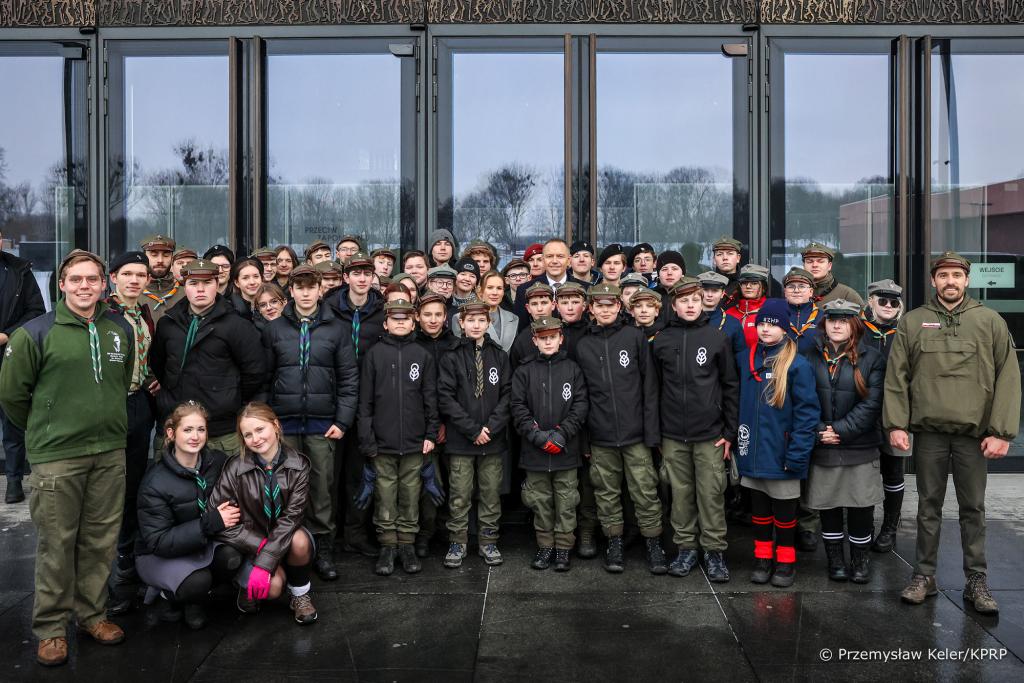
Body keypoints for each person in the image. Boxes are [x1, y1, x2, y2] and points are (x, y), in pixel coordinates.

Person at [0, 249, 135, 667]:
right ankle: (51, 629)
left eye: (92, 279)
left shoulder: (119, 329)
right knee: (57, 544)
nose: (84, 286)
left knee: (100, 540)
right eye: (75, 279)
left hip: (109, 451)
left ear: (103, 284)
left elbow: (120, 381)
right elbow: (12, 397)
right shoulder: (35, 334)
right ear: (61, 285)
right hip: (58, 456)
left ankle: (92, 615)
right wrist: (47, 430)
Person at [885, 252, 1020, 614]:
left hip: (973, 436)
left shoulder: (989, 321)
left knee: (973, 508)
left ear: (967, 280)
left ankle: (976, 579)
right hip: (929, 433)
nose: (950, 281)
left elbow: (1009, 378)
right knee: (927, 507)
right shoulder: (913, 322)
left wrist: (1002, 432)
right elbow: (896, 377)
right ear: (933, 281)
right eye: (943, 275)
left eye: (956, 275)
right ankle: (924, 575)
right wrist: (896, 424)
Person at [263, 264, 359, 582]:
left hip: (322, 423)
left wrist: (342, 420)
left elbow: (348, 378)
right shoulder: (275, 329)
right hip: (284, 424)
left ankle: (323, 548)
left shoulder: (336, 328)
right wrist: (267, 421)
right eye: (299, 287)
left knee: (321, 489)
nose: (305, 293)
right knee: (284, 488)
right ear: (291, 291)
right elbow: (264, 377)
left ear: (320, 290)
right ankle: (288, 547)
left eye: (311, 287)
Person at [652, 276, 739, 581]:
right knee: (680, 494)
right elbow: (654, 389)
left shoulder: (717, 338)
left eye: (695, 300)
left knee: (711, 493)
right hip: (673, 434)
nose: (690, 306)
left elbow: (730, 386)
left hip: (710, 434)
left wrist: (729, 432)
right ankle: (686, 548)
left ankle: (714, 551)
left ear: (703, 303)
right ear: (673, 305)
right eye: (683, 301)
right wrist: (657, 432)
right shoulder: (662, 340)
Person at [576, 283, 666, 575]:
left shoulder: (634, 337)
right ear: (591, 309)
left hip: (635, 433)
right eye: (599, 306)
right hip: (600, 434)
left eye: (610, 305)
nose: (605, 310)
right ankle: (614, 542)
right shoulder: (583, 345)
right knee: (606, 493)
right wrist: (585, 440)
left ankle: (653, 542)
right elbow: (581, 396)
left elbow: (650, 387)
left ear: (619, 306)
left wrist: (651, 433)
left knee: (645, 490)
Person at [735, 299, 819, 588]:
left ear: (785, 328)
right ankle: (762, 559)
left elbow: (807, 415)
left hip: (782, 454)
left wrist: (797, 454)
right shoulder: (745, 359)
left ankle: (785, 562)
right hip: (753, 452)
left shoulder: (797, 364)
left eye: (772, 324)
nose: (765, 329)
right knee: (759, 514)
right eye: (761, 323)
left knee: (784, 516)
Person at [208, 402, 317, 624]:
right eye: (247, 434)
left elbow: (292, 518)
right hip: (249, 546)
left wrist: (267, 556)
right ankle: (244, 585)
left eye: (260, 429)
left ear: (275, 425)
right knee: (273, 588)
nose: (255, 439)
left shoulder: (298, 465)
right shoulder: (235, 468)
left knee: (300, 540)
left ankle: (299, 594)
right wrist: (259, 546)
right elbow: (218, 518)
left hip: (284, 539)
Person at [803, 300, 886, 584]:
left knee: (861, 507)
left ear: (855, 325)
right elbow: (801, 399)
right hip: (823, 445)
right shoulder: (808, 355)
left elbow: (872, 403)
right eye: (832, 320)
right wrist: (819, 430)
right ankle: (836, 561)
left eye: (844, 320)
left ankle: (860, 561)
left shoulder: (872, 358)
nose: (837, 325)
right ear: (824, 323)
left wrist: (838, 430)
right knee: (829, 507)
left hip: (859, 446)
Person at [135, 402, 236, 630]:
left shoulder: (216, 462)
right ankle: (168, 594)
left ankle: (194, 597)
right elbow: (158, 541)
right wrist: (210, 523)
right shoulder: (155, 482)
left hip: (198, 542)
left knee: (231, 557)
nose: (195, 436)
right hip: (157, 554)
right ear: (171, 433)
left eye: (201, 429)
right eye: (187, 430)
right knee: (198, 581)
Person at [150, 259, 266, 456]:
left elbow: (254, 372)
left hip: (220, 429)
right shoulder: (167, 323)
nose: (200, 289)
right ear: (184, 285)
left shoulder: (237, 325)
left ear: (217, 284)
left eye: (207, 282)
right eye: (193, 283)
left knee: (225, 476)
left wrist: (227, 397)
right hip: (175, 422)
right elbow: (158, 364)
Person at [358, 298, 440, 576]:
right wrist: (367, 439)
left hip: (415, 442)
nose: (401, 322)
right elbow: (365, 402)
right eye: (395, 319)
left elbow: (430, 399)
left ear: (413, 322)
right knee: (384, 495)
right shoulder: (374, 355)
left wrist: (431, 433)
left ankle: (406, 543)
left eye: (406, 318)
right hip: (382, 443)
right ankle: (387, 545)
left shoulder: (422, 355)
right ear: (386, 323)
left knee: (411, 494)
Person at [103, 251, 160, 615]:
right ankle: (113, 563)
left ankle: (129, 555)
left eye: (141, 274)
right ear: (114, 278)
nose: (135, 280)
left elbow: (143, 357)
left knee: (134, 482)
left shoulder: (144, 313)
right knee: (110, 486)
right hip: (111, 405)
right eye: (128, 274)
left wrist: (151, 377)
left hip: (139, 403)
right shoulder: (103, 313)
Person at [438, 299, 512, 567]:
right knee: (460, 493)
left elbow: (508, 395)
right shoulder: (451, 356)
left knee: (490, 493)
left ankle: (488, 541)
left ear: (489, 323)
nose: (476, 325)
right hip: (462, 440)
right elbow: (445, 397)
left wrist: (490, 427)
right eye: (471, 320)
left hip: (492, 438)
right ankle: (457, 541)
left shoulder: (499, 356)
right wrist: (472, 429)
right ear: (461, 323)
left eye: (482, 320)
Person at [511, 316, 589, 572]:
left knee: (566, 501)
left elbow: (580, 405)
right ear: (534, 340)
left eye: (552, 337)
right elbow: (518, 407)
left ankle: (564, 547)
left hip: (565, 449)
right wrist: (537, 436)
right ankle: (545, 545)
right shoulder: (524, 371)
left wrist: (562, 434)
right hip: (534, 451)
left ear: (560, 339)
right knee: (540, 500)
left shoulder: (572, 369)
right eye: (542, 338)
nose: (547, 342)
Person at [328, 252, 386, 558]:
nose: (362, 278)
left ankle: (355, 533)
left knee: (359, 472)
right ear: (345, 277)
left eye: (367, 273)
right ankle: (329, 536)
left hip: (368, 404)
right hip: (333, 402)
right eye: (356, 273)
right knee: (329, 475)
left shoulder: (381, 311)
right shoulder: (329, 309)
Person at [0, 229, 46, 504]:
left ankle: (14, 481)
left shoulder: (19, 271)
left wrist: (7, 335)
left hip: (10, 353)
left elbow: (35, 311)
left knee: (12, 424)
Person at [412, 292, 459, 557]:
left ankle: (449, 533)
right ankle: (425, 534)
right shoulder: (411, 345)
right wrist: (431, 425)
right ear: (417, 317)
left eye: (438, 315)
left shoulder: (456, 345)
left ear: (446, 317)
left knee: (455, 484)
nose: (433, 320)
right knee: (428, 484)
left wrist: (447, 423)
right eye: (427, 315)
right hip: (422, 427)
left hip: (452, 426)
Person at [861, 279, 905, 553]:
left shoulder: (906, 331)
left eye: (894, 302)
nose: (888, 306)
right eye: (883, 300)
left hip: (895, 412)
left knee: (893, 471)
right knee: (863, 472)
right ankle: (862, 527)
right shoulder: (857, 328)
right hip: (862, 411)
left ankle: (889, 528)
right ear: (871, 301)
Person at [512, 239, 589, 328]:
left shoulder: (586, 289)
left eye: (560, 256)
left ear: (569, 260)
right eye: (549, 256)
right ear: (543, 260)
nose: (554, 261)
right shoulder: (524, 290)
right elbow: (521, 328)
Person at [697, 271, 745, 356]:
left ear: (722, 294)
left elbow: (741, 354)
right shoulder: (688, 319)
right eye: (705, 290)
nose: (710, 295)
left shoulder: (733, 323)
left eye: (715, 291)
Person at [508, 281, 555, 369]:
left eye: (544, 303)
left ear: (553, 305)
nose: (539, 309)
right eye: (534, 304)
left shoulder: (564, 333)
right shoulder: (521, 340)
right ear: (528, 308)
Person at [141, 234, 185, 324]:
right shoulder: (134, 293)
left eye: (166, 255)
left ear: (172, 258)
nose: (160, 260)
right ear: (144, 257)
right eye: (154, 255)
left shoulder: (186, 294)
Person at [726, 264, 769, 349]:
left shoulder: (771, 312)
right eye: (744, 283)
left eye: (754, 283)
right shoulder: (729, 313)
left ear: (763, 287)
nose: (748, 286)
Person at [229, 258, 265, 323]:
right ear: (237, 283)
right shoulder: (229, 309)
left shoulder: (272, 303)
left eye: (256, 276)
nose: (252, 282)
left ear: (261, 279)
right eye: (245, 278)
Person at [711, 236, 743, 306]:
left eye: (730, 253)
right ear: (714, 260)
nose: (725, 258)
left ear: (738, 258)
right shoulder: (706, 285)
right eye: (719, 254)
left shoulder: (746, 285)